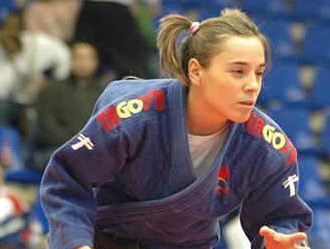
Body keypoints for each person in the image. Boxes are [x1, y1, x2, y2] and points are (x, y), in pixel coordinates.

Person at [40, 8, 313, 249]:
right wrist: (76, 244)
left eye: (259, 72)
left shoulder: (267, 147)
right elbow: (68, 179)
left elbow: (281, 218)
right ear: (195, 71)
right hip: (105, 238)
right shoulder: (134, 118)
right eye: (238, 71)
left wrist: (281, 241)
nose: (253, 85)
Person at [32, 42, 109, 171]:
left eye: (88, 58)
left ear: (95, 63)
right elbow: (46, 128)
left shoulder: (105, 94)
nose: (83, 63)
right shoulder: (51, 91)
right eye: (79, 58)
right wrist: (77, 144)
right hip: (56, 149)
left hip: (93, 150)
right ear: (71, 61)